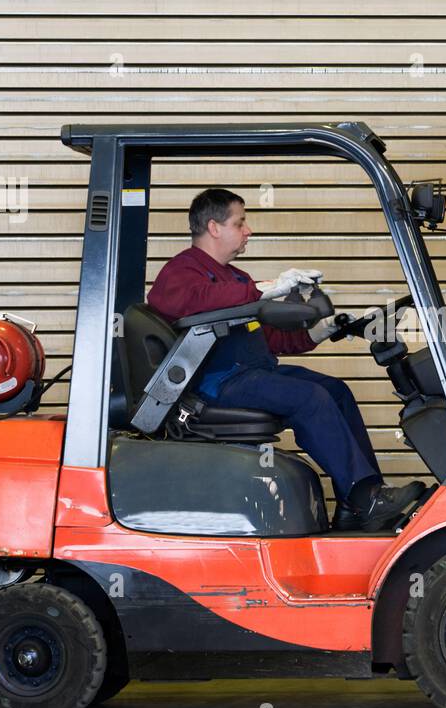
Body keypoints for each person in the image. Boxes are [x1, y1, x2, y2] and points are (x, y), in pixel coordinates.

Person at [147, 188, 424, 531]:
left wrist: (321, 330)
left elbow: (269, 337)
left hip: (254, 374)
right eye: (240, 222)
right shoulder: (181, 272)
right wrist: (267, 288)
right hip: (217, 384)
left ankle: (356, 505)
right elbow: (190, 300)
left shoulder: (236, 277)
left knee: (335, 390)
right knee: (310, 398)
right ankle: (366, 496)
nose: (248, 230)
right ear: (215, 227)